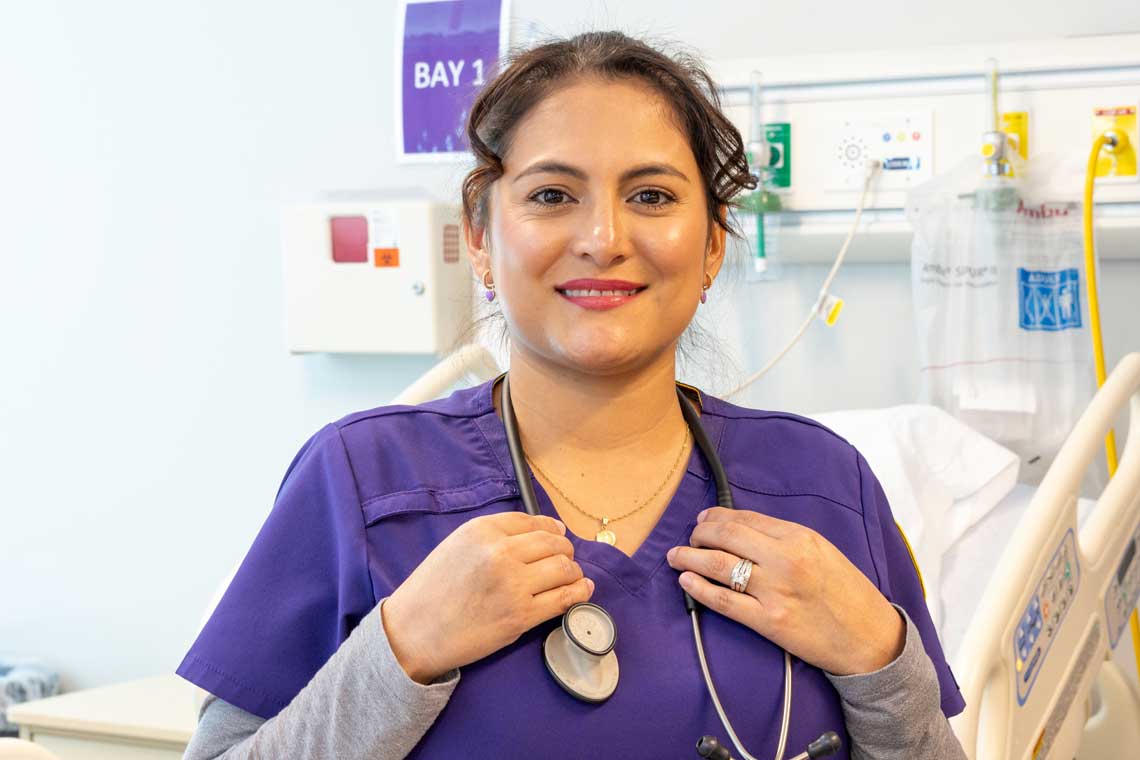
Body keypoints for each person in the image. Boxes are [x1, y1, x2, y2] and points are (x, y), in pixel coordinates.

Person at [177, 31, 967, 759]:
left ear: (714, 245)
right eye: (553, 195)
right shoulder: (363, 480)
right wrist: (402, 650)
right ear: (481, 237)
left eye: (651, 196)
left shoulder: (822, 484)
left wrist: (880, 662)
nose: (603, 237)